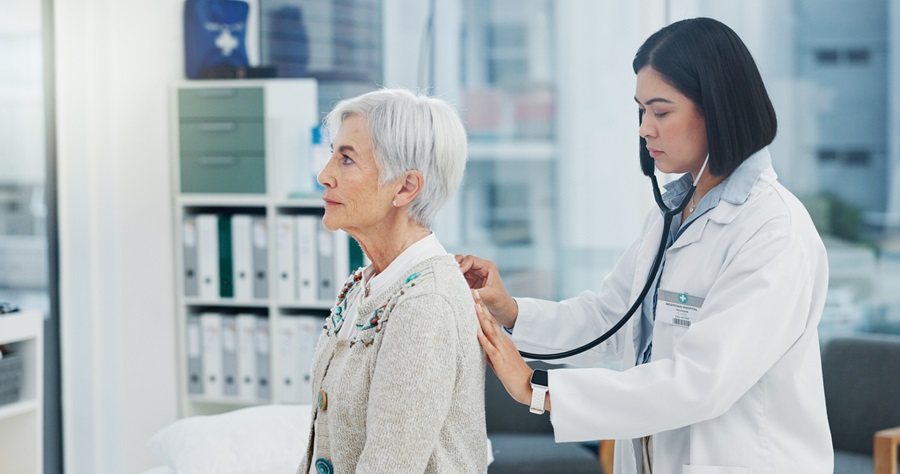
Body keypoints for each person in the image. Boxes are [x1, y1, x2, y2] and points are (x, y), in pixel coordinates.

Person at [457, 17, 833, 474]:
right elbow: (610, 319)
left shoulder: (773, 229)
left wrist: (541, 391)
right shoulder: (672, 214)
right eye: (640, 111)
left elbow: (702, 381)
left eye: (661, 111)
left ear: (716, 108)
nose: (644, 129)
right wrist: (509, 310)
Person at [299, 88, 487, 474]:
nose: (324, 175)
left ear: (405, 188)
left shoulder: (425, 304)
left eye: (346, 159)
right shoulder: (363, 287)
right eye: (333, 153)